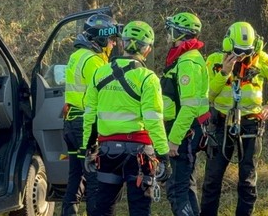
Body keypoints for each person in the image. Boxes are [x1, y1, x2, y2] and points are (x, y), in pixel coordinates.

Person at [81, 21, 171, 216]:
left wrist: (88, 148)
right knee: (139, 209)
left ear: (122, 43)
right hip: (139, 154)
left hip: (107, 151)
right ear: (146, 49)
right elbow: (153, 121)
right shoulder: (148, 78)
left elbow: (90, 116)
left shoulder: (99, 74)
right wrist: (163, 155)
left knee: (103, 208)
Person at [200, 21, 268, 216]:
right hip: (221, 123)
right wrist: (224, 73)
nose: (242, 57)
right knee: (212, 178)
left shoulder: (261, 60)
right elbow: (207, 95)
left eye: (246, 52)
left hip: (251, 123)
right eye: (238, 51)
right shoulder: (214, 60)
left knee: (247, 179)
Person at [62, 13, 120, 216]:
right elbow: (103, 95)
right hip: (85, 125)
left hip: (70, 122)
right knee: (95, 180)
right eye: (112, 40)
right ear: (102, 39)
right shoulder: (95, 61)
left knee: (75, 177)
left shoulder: (76, 56)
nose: (113, 45)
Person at [161, 12, 209, 216]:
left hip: (185, 132)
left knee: (177, 188)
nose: (169, 35)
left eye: (173, 31)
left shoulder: (188, 62)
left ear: (182, 34)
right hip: (185, 129)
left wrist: (174, 140)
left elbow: (188, 106)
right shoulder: (185, 58)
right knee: (187, 185)